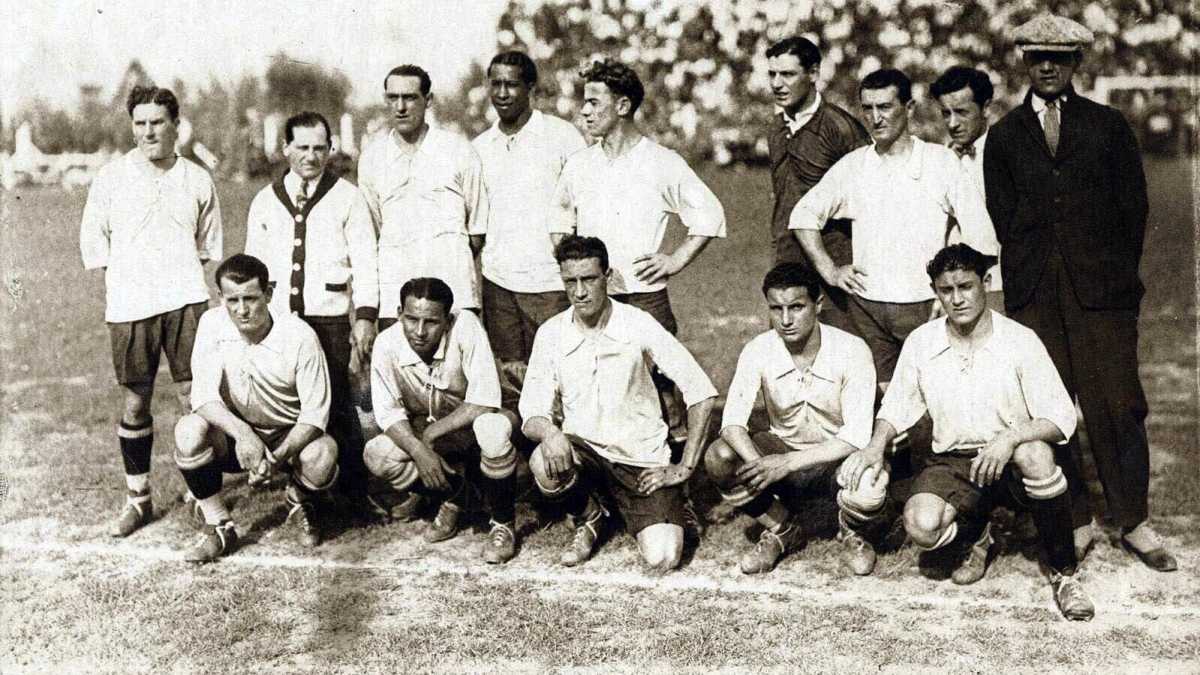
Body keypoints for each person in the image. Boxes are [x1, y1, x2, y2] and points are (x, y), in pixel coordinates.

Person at [984, 13, 1176, 571]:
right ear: (1024, 60)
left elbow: (1133, 210)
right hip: (1036, 295)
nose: (1047, 66)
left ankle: (1134, 520)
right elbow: (1003, 214)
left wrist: (1111, 276)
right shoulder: (1005, 135)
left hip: (1102, 295)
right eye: (1037, 56)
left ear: (1076, 63)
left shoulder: (1108, 125)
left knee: (1117, 405)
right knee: (1048, 408)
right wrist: (1032, 272)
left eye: (1059, 57)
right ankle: (1076, 517)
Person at [840, 244, 1095, 620]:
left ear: (985, 283)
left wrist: (1009, 439)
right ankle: (977, 532)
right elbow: (897, 406)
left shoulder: (1020, 340)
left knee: (1035, 454)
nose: (957, 299)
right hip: (955, 461)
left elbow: (1061, 417)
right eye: (947, 290)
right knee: (921, 527)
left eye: (966, 286)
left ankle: (1064, 575)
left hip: (1011, 460)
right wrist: (875, 447)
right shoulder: (922, 342)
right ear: (936, 292)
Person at [789, 68, 999, 392]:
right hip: (868, 307)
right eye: (867, 108)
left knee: (938, 398)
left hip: (924, 304)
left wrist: (951, 293)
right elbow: (803, 215)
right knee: (885, 404)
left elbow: (980, 236)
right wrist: (829, 270)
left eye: (884, 107)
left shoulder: (940, 162)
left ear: (909, 108)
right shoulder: (854, 165)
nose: (875, 118)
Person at [551, 58, 725, 444]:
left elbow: (709, 214)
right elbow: (559, 215)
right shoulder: (579, 165)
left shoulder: (661, 162)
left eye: (594, 101)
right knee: (599, 385)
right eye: (584, 101)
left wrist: (675, 259)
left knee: (664, 388)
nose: (584, 110)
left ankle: (679, 478)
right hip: (595, 295)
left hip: (645, 295)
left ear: (623, 106)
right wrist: (569, 258)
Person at [519, 235, 717, 571]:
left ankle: (663, 507)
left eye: (589, 279)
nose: (580, 292)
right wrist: (551, 433)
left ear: (607, 277)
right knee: (543, 461)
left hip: (641, 460)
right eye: (571, 282)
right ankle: (590, 516)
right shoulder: (551, 333)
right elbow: (531, 412)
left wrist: (684, 466)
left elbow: (701, 391)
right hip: (587, 456)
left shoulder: (637, 322)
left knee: (664, 557)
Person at [79, 85, 222, 538]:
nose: (148, 131)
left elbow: (205, 246)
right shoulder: (110, 177)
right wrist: (131, 282)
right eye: (139, 123)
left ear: (176, 125)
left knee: (194, 400)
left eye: (157, 122)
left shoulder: (198, 178)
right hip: (131, 306)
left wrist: (174, 276)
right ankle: (138, 499)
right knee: (136, 400)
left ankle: (203, 495)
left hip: (185, 300)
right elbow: (95, 243)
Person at [705, 263, 887, 575]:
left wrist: (784, 464)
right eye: (777, 309)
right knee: (720, 456)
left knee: (870, 485)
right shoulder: (758, 349)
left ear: (818, 305)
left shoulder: (852, 350)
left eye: (797, 307)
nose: (786, 320)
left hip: (837, 458)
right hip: (783, 453)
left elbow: (856, 435)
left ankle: (852, 532)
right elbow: (732, 423)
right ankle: (782, 528)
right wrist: (762, 465)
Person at [243, 111, 380, 518]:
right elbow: (253, 263)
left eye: (320, 147)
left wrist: (365, 316)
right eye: (302, 147)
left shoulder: (348, 197)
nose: (311, 156)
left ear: (331, 148)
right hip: (281, 321)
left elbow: (366, 261)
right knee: (292, 404)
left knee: (339, 405)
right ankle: (298, 483)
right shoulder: (266, 200)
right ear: (285, 149)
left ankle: (353, 492)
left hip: (329, 318)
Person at [173, 254, 337, 562]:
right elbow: (203, 397)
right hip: (239, 436)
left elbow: (315, 417)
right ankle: (218, 524)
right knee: (188, 430)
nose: (242, 310)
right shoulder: (211, 323)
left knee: (322, 455)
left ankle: (299, 497)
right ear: (220, 297)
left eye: (251, 298)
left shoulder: (299, 335)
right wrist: (244, 435)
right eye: (232, 300)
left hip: (287, 436)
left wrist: (276, 458)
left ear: (270, 293)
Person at [363, 278, 523, 564]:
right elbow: (387, 414)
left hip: (489, 414)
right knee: (377, 454)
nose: (420, 331)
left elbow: (485, 400)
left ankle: (503, 523)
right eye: (411, 319)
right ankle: (459, 497)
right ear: (399, 312)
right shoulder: (386, 343)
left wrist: (429, 436)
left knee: (491, 430)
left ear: (447, 320)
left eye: (431, 322)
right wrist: (418, 450)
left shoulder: (466, 325)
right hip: (436, 425)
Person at [472, 51, 586, 381]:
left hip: (549, 283)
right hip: (498, 283)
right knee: (511, 376)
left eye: (512, 85)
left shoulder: (562, 137)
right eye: (496, 85)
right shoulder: (479, 147)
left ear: (530, 88)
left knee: (559, 372)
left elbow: (584, 203)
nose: (503, 94)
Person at [358, 64, 488, 324]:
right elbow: (372, 229)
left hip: (455, 298)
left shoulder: (458, 151)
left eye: (409, 97)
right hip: (397, 301)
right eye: (393, 98)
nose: (401, 107)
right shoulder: (372, 158)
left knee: (455, 365)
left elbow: (476, 230)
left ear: (428, 100)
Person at [765, 37, 870, 335]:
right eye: (772, 74)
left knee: (843, 346)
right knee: (787, 346)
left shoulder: (841, 128)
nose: (777, 84)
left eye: (787, 74)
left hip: (834, 260)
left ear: (812, 74)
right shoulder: (775, 127)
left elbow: (868, 198)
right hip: (787, 255)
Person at [930, 66, 1004, 313]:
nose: (952, 123)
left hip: (998, 281)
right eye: (945, 113)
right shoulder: (939, 158)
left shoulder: (1006, 155)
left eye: (961, 112)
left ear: (986, 108)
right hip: (951, 286)